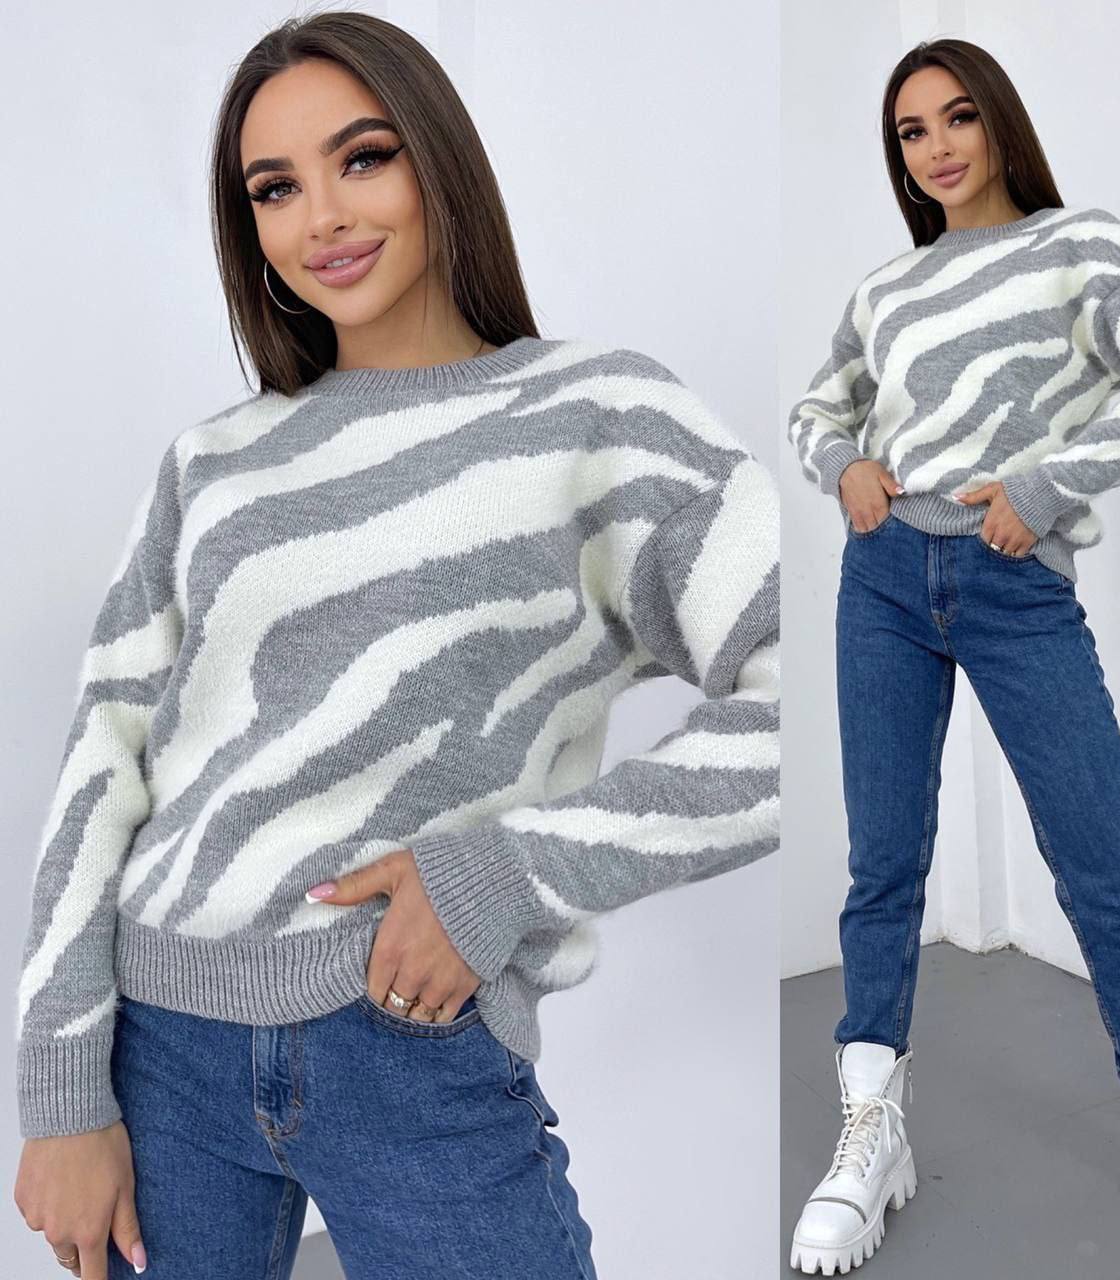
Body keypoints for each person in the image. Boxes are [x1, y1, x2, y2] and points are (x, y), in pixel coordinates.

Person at [12, 13, 780, 1279]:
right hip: (160, 1053)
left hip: (410, 1044)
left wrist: (507, 871)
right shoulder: (212, 464)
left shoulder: (593, 414)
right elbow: (106, 758)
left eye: (361, 158)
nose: (320, 216)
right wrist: (58, 1088)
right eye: (274, 187)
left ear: (435, 161)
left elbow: (800, 698)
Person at [785, 37, 1120, 1277]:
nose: (936, 147)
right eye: (909, 131)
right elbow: (817, 409)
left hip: (1014, 586)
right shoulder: (885, 291)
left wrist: (1046, 484)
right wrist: (843, 465)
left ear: (997, 121)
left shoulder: (1078, 245)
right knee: (883, 860)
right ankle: (870, 1131)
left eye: (956, 117)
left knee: (1100, 855)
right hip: (883, 580)